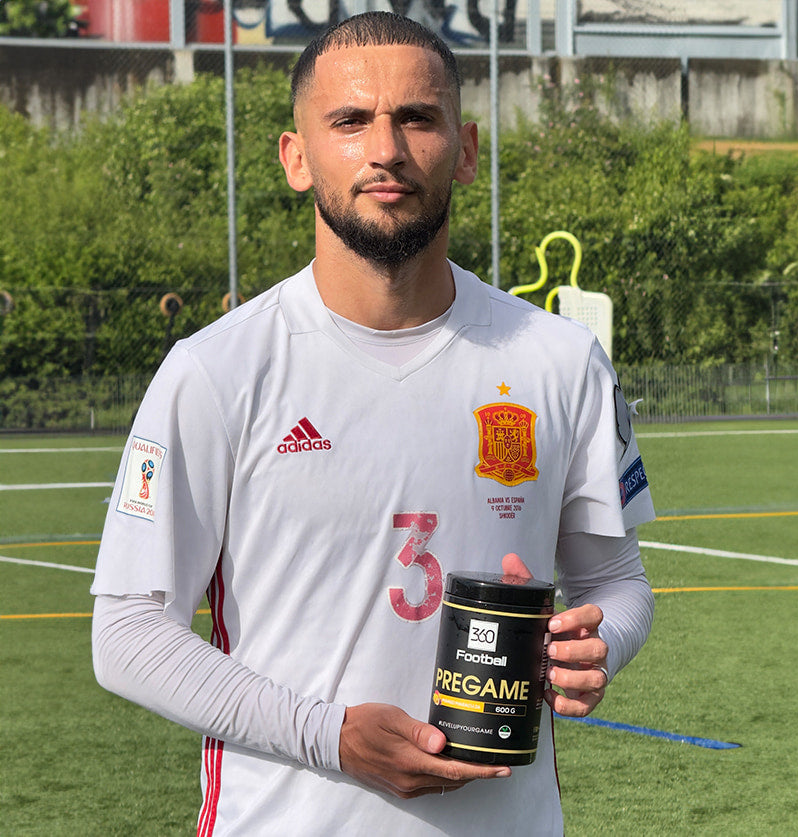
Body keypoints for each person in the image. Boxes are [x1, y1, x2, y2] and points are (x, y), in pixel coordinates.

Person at [91, 12, 655, 836]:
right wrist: (331, 736)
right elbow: (128, 633)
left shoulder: (560, 361)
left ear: (463, 149)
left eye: (416, 119)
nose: (385, 148)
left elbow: (618, 584)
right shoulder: (214, 370)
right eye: (350, 121)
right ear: (296, 156)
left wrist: (596, 645)